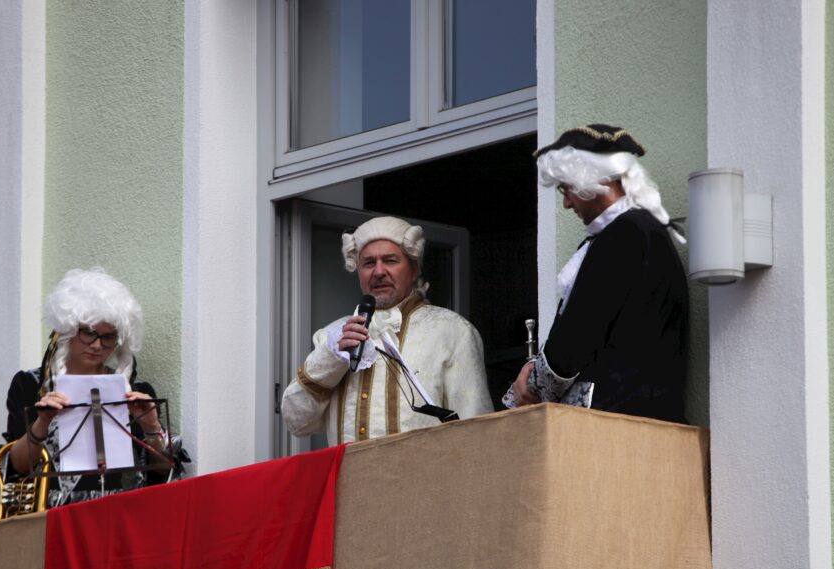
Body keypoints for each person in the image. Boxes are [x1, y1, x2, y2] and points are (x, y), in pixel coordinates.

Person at [0, 267, 186, 522]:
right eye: (88, 332)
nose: (96, 345)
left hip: (123, 518)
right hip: (53, 519)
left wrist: (152, 427)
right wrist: (43, 422)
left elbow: (161, 474)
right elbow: (17, 468)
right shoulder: (30, 384)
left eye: (107, 337)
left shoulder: (138, 391)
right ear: (68, 330)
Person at [506, 124, 689, 423]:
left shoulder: (626, 234)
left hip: (623, 420)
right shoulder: (636, 231)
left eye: (566, 188)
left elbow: (576, 337)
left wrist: (527, 387)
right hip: (638, 419)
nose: (566, 203)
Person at [281, 216, 493, 444]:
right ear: (358, 271)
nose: (379, 271)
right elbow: (297, 421)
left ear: (414, 269)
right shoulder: (332, 336)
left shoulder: (452, 331)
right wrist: (331, 358)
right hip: (351, 480)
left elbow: (477, 431)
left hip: (424, 479)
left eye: (390, 261)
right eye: (369, 263)